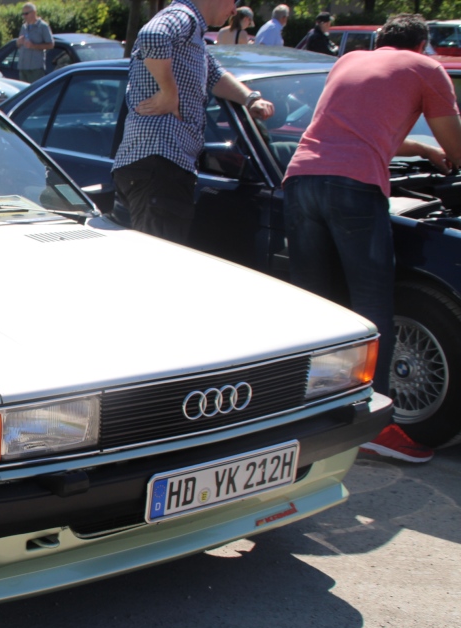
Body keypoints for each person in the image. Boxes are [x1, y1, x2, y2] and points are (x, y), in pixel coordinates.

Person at [283, 14, 461, 462]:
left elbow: (355, 129)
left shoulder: (348, 62)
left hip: (301, 179)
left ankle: (305, 413)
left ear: (381, 40)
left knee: (316, 305)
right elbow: (456, 145)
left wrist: (420, 148)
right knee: (371, 305)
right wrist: (446, 154)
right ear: (421, 44)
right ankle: (372, 425)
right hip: (354, 186)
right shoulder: (426, 67)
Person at [111, 0, 274, 245]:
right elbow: (152, 35)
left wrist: (250, 99)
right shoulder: (183, 15)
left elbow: (214, 75)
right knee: (160, 259)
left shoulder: (192, 34)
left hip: (153, 165)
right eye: (233, 1)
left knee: (150, 256)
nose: (234, 11)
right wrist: (169, 93)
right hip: (161, 162)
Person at [16, 3, 53, 83]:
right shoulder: (24, 27)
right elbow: (18, 45)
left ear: (34, 12)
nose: (24, 16)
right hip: (23, 67)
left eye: (26, 13)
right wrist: (18, 42)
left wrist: (33, 46)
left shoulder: (43, 26)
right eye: (23, 14)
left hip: (36, 69)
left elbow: (51, 45)